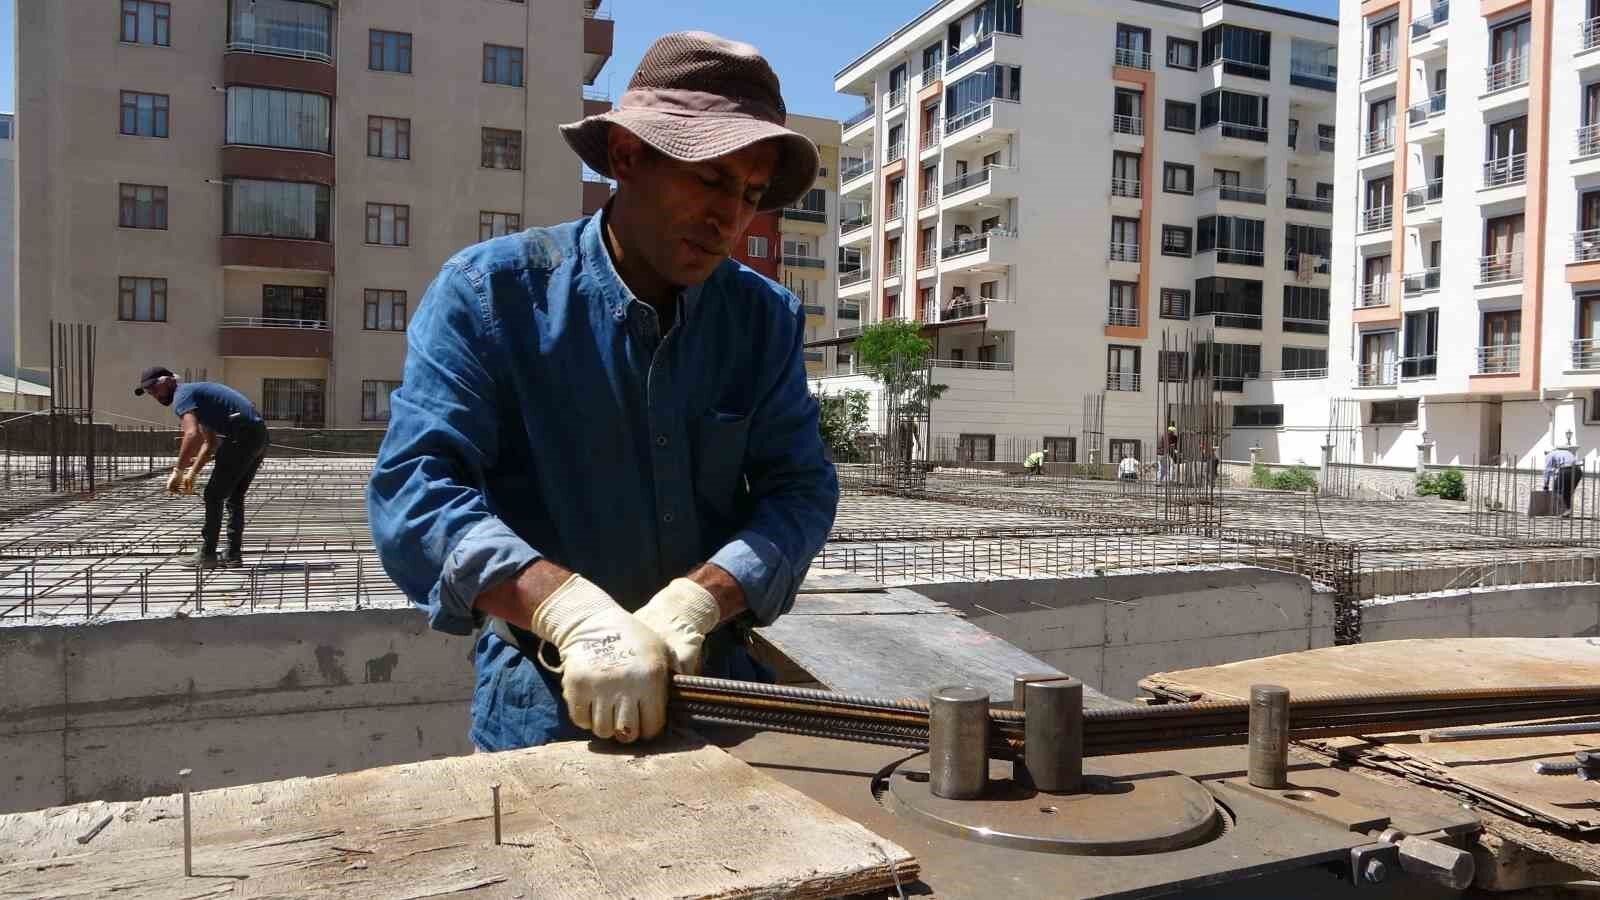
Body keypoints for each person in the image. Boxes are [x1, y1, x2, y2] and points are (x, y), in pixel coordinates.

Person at [367, 32, 838, 751]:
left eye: (749, 194)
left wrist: (702, 599)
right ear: (626, 157)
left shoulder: (762, 318)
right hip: (549, 712)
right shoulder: (489, 294)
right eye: (710, 179)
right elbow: (414, 487)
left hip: (722, 694)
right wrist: (562, 607)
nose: (731, 220)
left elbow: (800, 488)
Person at [134, 366, 269, 568]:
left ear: (169, 381)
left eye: (155, 389)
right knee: (234, 496)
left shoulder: (182, 395)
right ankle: (232, 554)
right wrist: (192, 473)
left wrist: (178, 472)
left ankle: (207, 554)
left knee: (213, 495)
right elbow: (209, 443)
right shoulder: (199, 398)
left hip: (241, 437)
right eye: (149, 392)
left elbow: (191, 435)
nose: (154, 395)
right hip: (258, 436)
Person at [1543, 447, 1582, 518]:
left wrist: (1546, 486)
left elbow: (1547, 471)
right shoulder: (1566, 452)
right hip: (1578, 471)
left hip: (1566, 470)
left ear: (1546, 453)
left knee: (1556, 489)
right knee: (1568, 492)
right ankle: (1568, 510)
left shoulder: (1549, 455)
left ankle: (1563, 509)